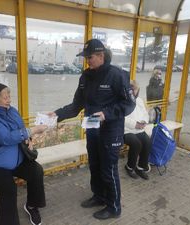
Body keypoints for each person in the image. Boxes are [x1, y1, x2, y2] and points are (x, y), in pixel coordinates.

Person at [47, 39, 136, 220]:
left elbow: (129, 104)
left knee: (108, 169)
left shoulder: (117, 75)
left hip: (111, 131)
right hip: (92, 129)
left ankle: (114, 207)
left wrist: (107, 114)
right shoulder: (85, 76)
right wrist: (56, 115)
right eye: (86, 57)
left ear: (101, 56)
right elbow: (76, 105)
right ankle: (99, 196)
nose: (87, 60)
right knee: (95, 166)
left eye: (90, 57)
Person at [0, 82, 47, 225]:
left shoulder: (11, 110)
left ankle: (32, 206)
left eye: (9, 95)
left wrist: (29, 139)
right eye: (5, 97)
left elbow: (21, 129)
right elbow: (5, 137)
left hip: (15, 158)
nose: (9, 99)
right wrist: (32, 131)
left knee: (36, 171)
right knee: (8, 188)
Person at [124, 80, 151, 180]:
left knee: (147, 141)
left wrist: (144, 121)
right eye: (131, 89)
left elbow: (145, 114)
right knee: (136, 144)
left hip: (139, 129)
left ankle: (140, 167)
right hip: (125, 130)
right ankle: (129, 167)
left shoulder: (139, 100)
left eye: (135, 89)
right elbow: (121, 118)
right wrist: (135, 124)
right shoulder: (122, 100)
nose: (133, 92)